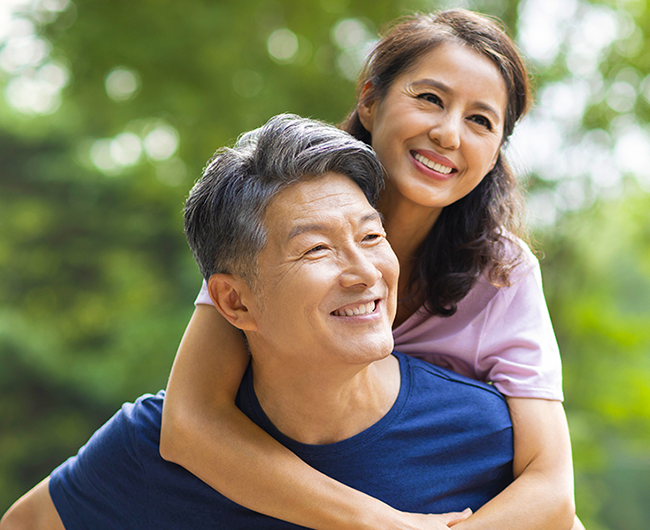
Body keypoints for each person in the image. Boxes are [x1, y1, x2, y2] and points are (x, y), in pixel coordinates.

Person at [160, 8, 582, 530]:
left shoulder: (501, 272)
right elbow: (189, 422)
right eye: (430, 99)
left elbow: (551, 488)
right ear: (369, 98)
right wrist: (379, 524)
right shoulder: (277, 220)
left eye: (480, 120)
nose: (449, 134)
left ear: (496, 151)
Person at [1, 114, 516, 529]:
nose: (365, 273)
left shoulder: (479, 434)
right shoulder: (148, 448)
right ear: (234, 302)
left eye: (371, 237)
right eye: (317, 249)